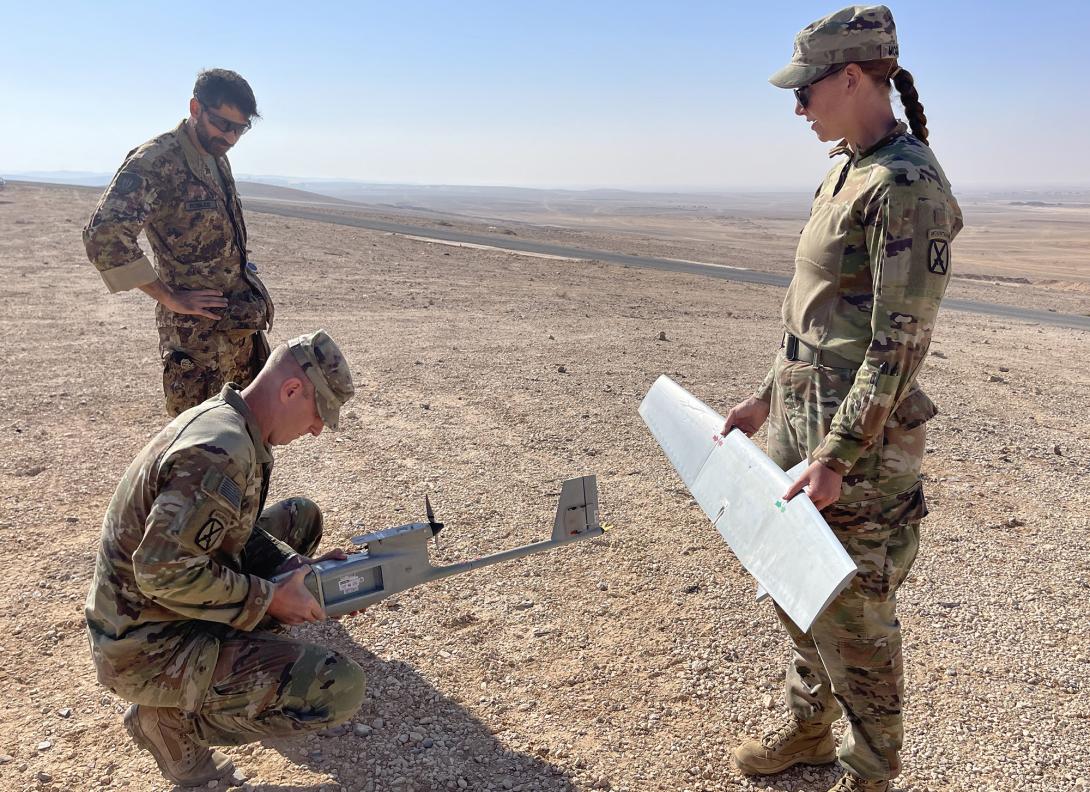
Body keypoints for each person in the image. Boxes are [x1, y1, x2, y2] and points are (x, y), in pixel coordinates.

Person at [723, 6, 962, 792]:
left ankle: (870, 776)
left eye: (807, 90)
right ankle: (810, 732)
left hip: (857, 450)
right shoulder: (846, 166)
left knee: (856, 622)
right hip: (800, 423)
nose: (798, 107)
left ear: (853, 76)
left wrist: (834, 457)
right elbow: (817, 315)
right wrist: (763, 400)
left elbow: (898, 347)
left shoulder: (907, 186)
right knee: (795, 589)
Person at [85, 330, 365, 787]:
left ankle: (230, 649)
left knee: (299, 518)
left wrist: (301, 571)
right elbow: (161, 571)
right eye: (319, 413)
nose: (317, 428)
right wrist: (269, 598)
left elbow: (236, 530)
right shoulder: (220, 450)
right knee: (338, 687)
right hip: (144, 645)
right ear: (291, 390)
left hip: (157, 608)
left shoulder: (232, 423)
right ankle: (170, 719)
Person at [83, 68, 274, 417]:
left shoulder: (215, 156)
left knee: (241, 436)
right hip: (197, 344)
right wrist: (168, 296)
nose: (230, 137)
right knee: (199, 447)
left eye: (239, 128)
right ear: (195, 108)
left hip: (236, 331)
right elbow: (104, 235)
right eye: (222, 124)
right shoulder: (156, 161)